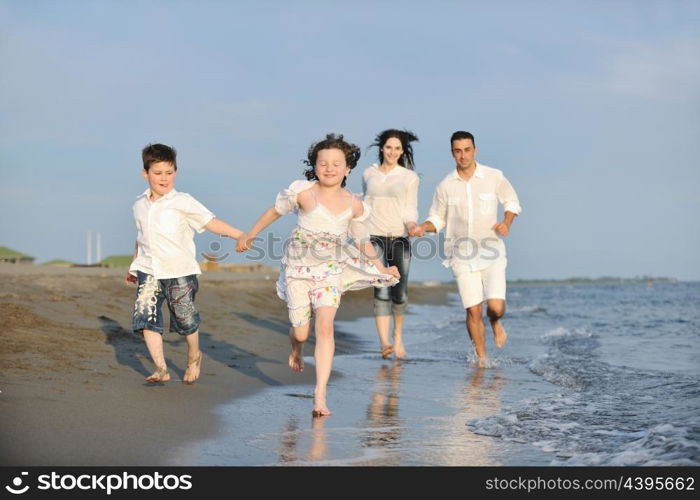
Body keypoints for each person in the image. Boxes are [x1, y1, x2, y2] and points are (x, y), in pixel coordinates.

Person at [236, 133, 400, 417]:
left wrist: (381, 267)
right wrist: (250, 234)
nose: (329, 168)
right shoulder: (303, 193)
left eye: (337, 163)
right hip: (299, 270)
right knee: (301, 331)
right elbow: (273, 212)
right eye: (323, 163)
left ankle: (320, 395)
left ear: (348, 168)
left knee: (325, 327)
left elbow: (361, 241)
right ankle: (296, 349)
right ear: (314, 165)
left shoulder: (355, 205)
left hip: (330, 272)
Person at [126, 143, 243, 384]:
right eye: (157, 173)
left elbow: (211, 222)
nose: (164, 178)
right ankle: (161, 368)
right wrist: (133, 266)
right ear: (145, 174)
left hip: (179, 271)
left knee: (185, 320)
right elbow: (141, 238)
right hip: (149, 270)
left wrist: (239, 234)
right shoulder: (139, 205)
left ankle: (194, 355)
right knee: (145, 317)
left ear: (176, 172)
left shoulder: (183, 201)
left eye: (169, 172)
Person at [417, 131, 521, 367]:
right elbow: (437, 219)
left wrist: (506, 222)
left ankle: (495, 323)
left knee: (495, 308)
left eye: (467, 150)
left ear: (474, 150)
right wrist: (422, 227)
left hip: (491, 251)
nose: (462, 155)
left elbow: (512, 202)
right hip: (460, 255)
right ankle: (482, 359)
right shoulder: (445, 185)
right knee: (473, 310)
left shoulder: (493, 176)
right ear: (452, 152)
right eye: (457, 151)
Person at [362, 129, 420, 359]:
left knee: (400, 290)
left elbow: (410, 208)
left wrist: (413, 225)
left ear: (402, 151)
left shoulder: (409, 177)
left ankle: (397, 338)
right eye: (388, 147)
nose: (392, 152)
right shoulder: (369, 173)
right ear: (381, 148)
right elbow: (366, 203)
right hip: (373, 236)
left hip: (399, 237)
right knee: (380, 285)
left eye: (397, 148)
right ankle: (384, 342)